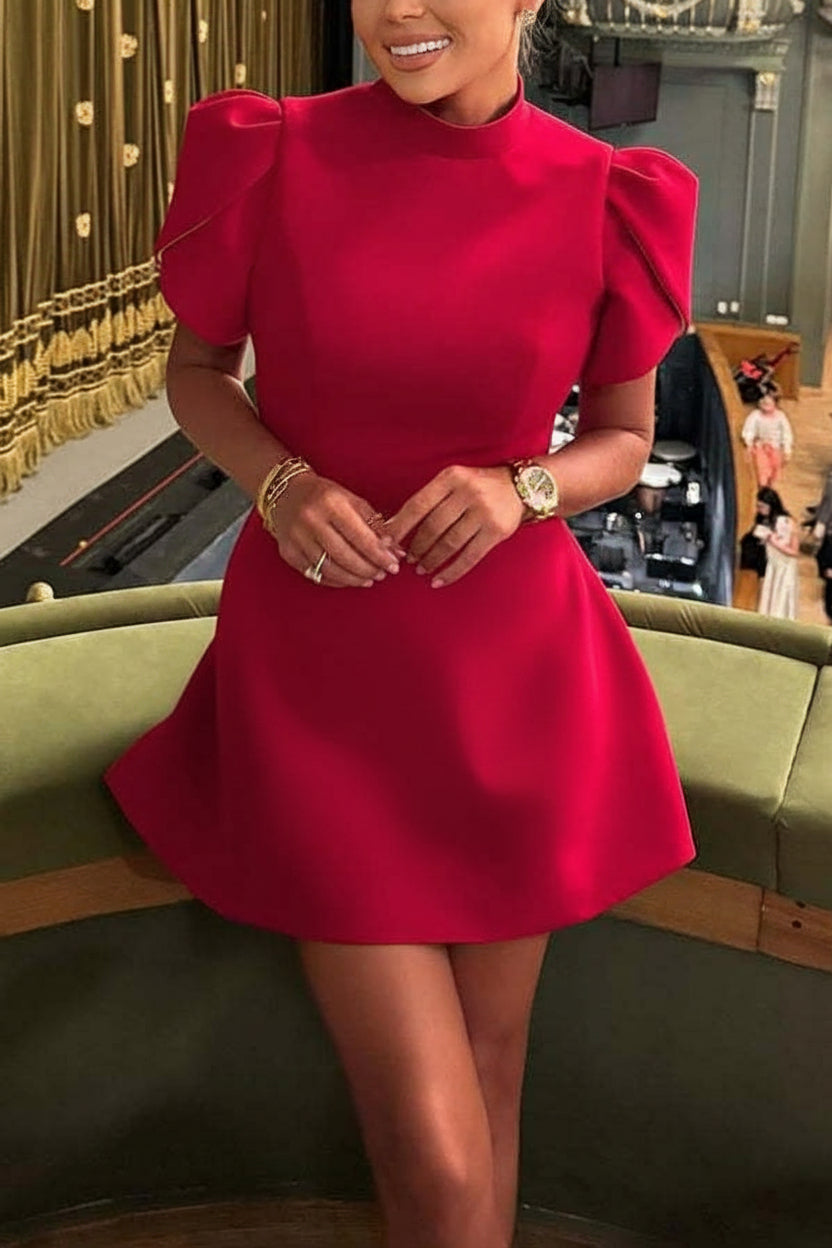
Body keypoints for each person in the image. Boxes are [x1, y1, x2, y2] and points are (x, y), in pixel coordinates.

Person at [103, 4, 699, 1246]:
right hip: (316, 676)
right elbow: (199, 376)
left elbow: (623, 436)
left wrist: (523, 487)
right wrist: (279, 483)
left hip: (512, 679)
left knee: (489, 1079)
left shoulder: (609, 195)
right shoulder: (273, 150)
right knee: (429, 1143)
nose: (395, 12)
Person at [755, 489, 800, 620]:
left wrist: (774, 542)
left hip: (785, 567)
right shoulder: (764, 521)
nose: (759, 510)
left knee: (781, 602)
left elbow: (794, 551)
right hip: (772, 566)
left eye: (762, 506)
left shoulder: (787, 522)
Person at [741, 391, 794, 488]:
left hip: (775, 447)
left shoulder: (780, 417)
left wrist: (787, 449)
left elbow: (786, 433)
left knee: (775, 467)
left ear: (775, 404)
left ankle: (770, 485)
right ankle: (763, 485)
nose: (765, 404)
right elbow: (749, 429)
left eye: (769, 403)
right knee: (762, 467)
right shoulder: (755, 415)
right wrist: (749, 442)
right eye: (763, 402)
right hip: (761, 446)